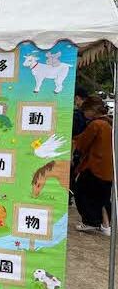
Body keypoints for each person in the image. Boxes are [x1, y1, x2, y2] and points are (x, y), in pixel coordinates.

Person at [74, 96, 113, 236]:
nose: (84, 114)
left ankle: (91, 222)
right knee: (103, 198)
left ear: (92, 110)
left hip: (95, 166)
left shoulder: (96, 125)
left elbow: (82, 143)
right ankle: (106, 225)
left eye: (86, 111)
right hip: (108, 169)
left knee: (82, 193)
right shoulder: (109, 123)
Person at [71, 87, 89, 205]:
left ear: (77, 98)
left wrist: (72, 154)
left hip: (77, 151)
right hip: (85, 153)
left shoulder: (78, 114)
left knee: (74, 179)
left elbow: (74, 137)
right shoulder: (87, 114)